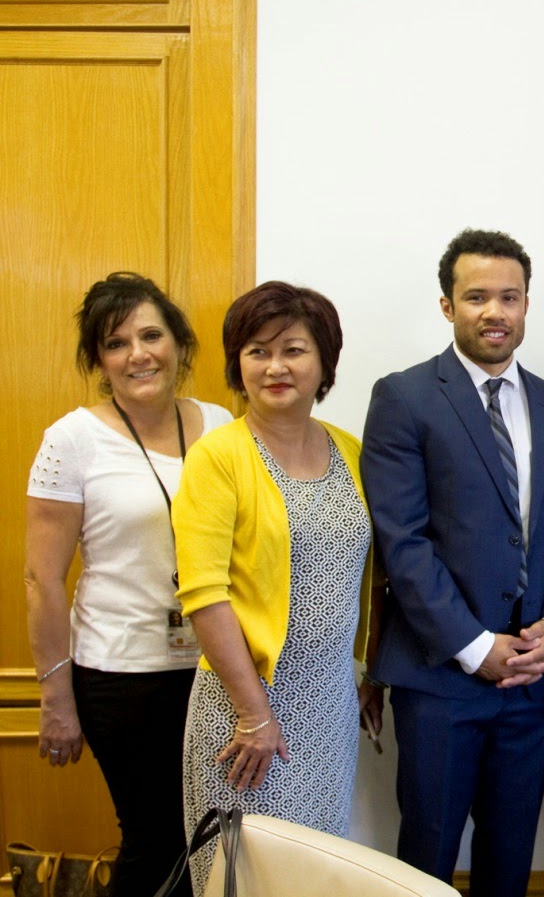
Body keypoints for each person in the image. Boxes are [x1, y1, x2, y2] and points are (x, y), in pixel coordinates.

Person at [361, 229, 544, 894]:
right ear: (447, 305)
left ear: (526, 304)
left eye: (508, 296)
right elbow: (404, 541)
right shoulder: (404, 397)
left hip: (531, 676)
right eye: (477, 296)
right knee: (426, 854)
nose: (494, 310)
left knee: (511, 855)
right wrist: (475, 645)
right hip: (441, 677)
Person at [24, 273, 232, 897]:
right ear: (99, 360)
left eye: (151, 335)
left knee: (216, 838)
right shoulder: (72, 440)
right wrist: (56, 699)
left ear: (179, 345)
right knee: (154, 841)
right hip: (122, 675)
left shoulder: (220, 422)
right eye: (116, 343)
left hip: (216, 670)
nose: (138, 354)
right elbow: (41, 579)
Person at [172, 281, 383, 891]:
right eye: (257, 351)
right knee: (239, 876)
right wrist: (254, 713)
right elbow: (204, 594)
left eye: (293, 349)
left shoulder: (352, 452)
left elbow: (365, 579)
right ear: (238, 365)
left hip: (330, 705)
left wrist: (367, 672)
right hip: (245, 708)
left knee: (313, 872)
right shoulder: (218, 457)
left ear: (324, 363)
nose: (275, 366)